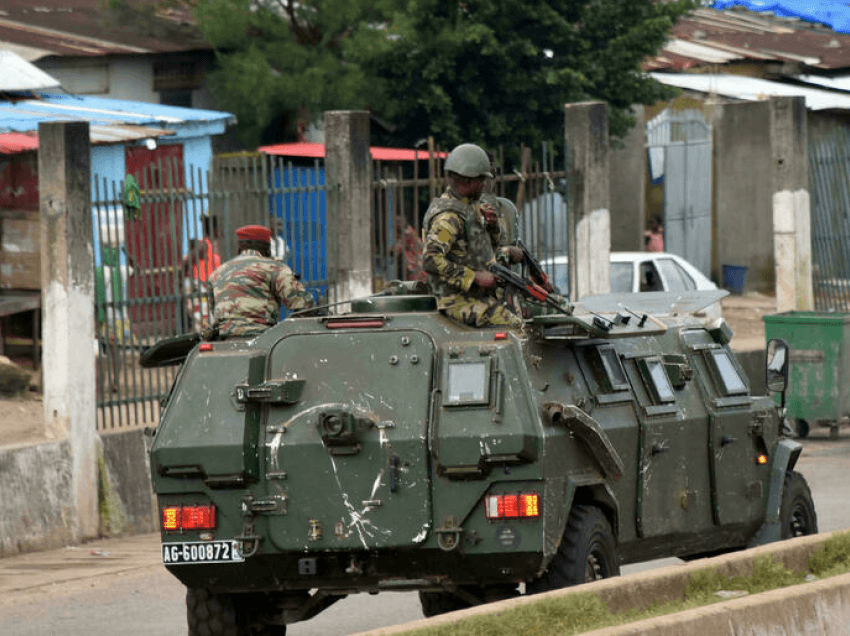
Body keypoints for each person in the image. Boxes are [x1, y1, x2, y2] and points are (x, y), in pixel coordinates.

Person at [422, 143, 524, 329]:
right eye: (481, 180)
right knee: (515, 328)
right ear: (468, 181)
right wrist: (474, 277)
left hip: (478, 295)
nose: (484, 185)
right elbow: (430, 259)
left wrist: (492, 227)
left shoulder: (471, 208)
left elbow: (485, 251)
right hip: (455, 301)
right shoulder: (449, 218)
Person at [209, 224, 315, 339]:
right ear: (267, 248)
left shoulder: (218, 272)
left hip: (225, 338)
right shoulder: (274, 268)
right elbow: (302, 304)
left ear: (240, 247)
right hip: (263, 337)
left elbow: (213, 308)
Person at [182, 215, 221, 331]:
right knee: (203, 321)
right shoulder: (204, 244)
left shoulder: (213, 245)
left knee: (207, 320)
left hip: (207, 287)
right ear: (214, 230)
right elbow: (186, 261)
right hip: (200, 286)